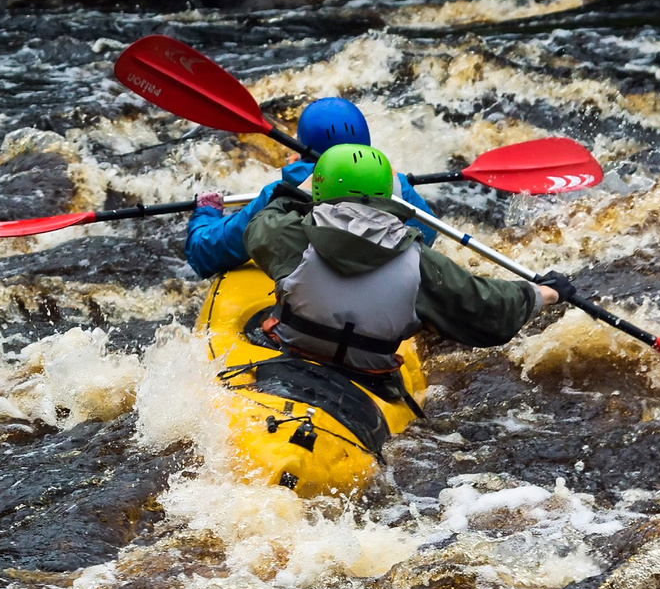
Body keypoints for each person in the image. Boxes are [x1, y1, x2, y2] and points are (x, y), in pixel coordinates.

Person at [239, 143, 560, 383]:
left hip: (288, 355)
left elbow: (262, 223)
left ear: (320, 190)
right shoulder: (422, 265)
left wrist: (300, 189)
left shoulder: (292, 237)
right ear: (392, 195)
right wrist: (544, 293)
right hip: (369, 376)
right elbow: (490, 309)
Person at [183, 97, 435, 278]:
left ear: (302, 146)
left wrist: (207, 212)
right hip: (380, 303)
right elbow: (428, 235)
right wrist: (396, 181)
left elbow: (206, 254)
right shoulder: (396, 186)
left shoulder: (282, 193)